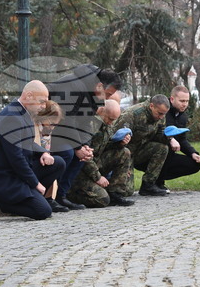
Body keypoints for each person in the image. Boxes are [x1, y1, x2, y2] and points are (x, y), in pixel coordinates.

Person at [0, 80, 66, 222]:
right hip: (6, 178)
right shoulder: (11, 117)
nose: (43, 106)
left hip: (17, 172)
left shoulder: (22, 112)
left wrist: (43, 152)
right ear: (28, 96)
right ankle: (0, 201)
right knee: (43, 211)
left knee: (58, 163)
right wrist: (35, 184)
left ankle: (28, 197)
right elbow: (16, 158)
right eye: (41, 102)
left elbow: (27, 143)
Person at [47, 64, 122, 211]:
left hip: (64, 131)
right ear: (100, 86)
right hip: (49, 129)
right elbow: (66, 120)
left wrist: (85, 146)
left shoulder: (95, 94)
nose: (107, 98)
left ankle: (61, 195)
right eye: (107, 94)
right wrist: (77, 147)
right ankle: (49, 197)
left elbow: (86, 123)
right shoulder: (73, 86)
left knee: (83, 156)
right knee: (67, 153)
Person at [68, 100, 136, 208]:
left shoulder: (106, 124)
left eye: (114, 120)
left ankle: (115, 192)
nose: (111, 123)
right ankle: (69, 194)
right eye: (110, 119)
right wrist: (98, 177)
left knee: (124, 152)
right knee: (102, 199)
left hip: (96, 163)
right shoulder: (89, 125)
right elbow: (85, 155)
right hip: (80, 170)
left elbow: (104, 147)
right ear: (102, 111)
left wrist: (120, 143)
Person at [115, 94, 173, 197]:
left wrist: (168, 137)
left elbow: (158, 135)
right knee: (126, 191)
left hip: (140, 150)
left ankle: (148, 185)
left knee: (162, 148)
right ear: (151, 106)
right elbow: (116, 140)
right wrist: (124, 165)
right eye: (159, 113)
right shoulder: (132, 114)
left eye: (164, 114)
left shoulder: (160, 116)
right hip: (124, 153)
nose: (161, 117)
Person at [156, 85, 200, 190]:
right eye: (182, 101)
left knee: (194, 164)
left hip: (169, 154)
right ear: (172, 99)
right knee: (166, 149)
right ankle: (155, 182)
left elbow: (182, 139)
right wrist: (170, 139)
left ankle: (158, 178)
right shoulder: (162, 111)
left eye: (187, 101)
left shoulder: (182, 116)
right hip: (153, 152)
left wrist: (192, 153)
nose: (185, 104)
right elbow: (156, 132)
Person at [35, 100, 69, 212]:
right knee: (58, 162)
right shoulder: (34, 126)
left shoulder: (47, 130)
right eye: (51, 123)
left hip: (43, 158)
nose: (52, 127)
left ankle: (48, 197)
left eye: (55, 125)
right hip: (32, 161)